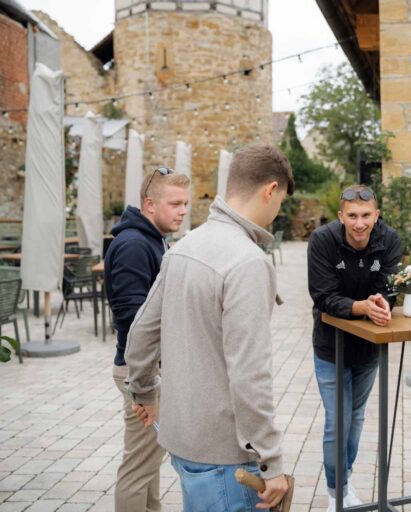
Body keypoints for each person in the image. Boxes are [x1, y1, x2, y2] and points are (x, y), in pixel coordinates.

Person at [124, 144, 293, 511]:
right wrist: (272, 460)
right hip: (225, 457)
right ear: (270, 190)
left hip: (183, 442)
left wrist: (143, 391)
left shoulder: (186, 245)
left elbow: (140, 334)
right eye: (280, 201)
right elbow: (250, 373)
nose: (278, 211)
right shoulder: (248, 262)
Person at [307, 184, 403, 511]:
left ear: (376, 215)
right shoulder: (322, 241)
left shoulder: (389, 240)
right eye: (352, 216)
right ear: (340, 216)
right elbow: (323, 297)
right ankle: (337, 491)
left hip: (368, 347)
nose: (359, 223)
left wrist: (383, 301)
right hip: (330, 346)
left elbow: (390, 288)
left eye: (366, 215)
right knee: (339, 419)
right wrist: (361, 307)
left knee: (356, 417)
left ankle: (343, 480)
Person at [105, 167, 189, 512]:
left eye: (185, 203)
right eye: (175, 204)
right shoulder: (133, 245)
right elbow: (132, 319)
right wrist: (145, 387)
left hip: (147, 369)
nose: (183, 211)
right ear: (150, 204)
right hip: (141, 370)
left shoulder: (151, 237)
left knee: (148, 464)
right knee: (138, 468)